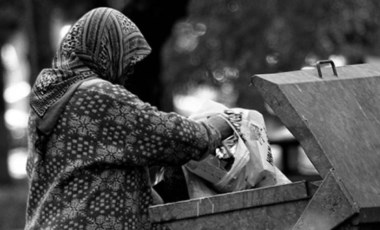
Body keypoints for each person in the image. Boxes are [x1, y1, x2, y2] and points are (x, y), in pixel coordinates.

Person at [25, 7, 232, 230]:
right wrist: (216, 129)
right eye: (125, 58)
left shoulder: (50, 100)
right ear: (106, 50)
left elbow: (84, 168)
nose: (128, 70)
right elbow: (165, 134)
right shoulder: (98, 95)